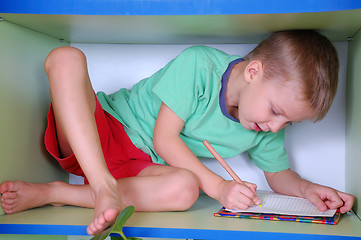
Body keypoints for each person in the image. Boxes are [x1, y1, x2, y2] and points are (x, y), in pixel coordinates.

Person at [0, 30, 354, 236]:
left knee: (185, 189)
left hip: (140, 169)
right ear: (253, 72)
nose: (276, 127)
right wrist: (218, 187)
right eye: (276, 112)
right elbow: (163, 139)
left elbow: (278, 174)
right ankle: (101, 186)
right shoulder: (200, 65)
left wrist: (309, 191)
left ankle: (56, 192)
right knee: (65, 57)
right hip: (98, 132)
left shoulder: (263, 127)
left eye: (288, 123)